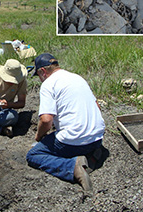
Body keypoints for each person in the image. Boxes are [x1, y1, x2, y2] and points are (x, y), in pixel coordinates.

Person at [26, 53, 105, 192]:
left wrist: (39, 137)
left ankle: (72, 168)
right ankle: (91, 154)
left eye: (38, 76)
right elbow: (97, 106)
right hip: (98, 137)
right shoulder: (77, 78)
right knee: (68, 136)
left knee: (33, 155)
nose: (40, 80)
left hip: (75, 141)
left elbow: (46, 120)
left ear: (42, 72)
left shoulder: (48, 84)